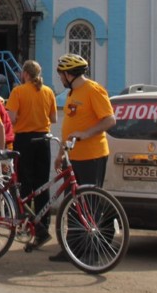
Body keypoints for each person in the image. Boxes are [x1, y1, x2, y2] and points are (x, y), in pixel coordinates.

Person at [50, 53, 116, 261]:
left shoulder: (93, 90)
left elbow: (109, 120)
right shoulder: (72, 92)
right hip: (74, 157)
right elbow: (70, 128)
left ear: (69, 74)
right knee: (72, 204)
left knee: (89, 204)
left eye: (61, 74)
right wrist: (61, 153)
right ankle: (73, 248)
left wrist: (86, 134)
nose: (60, 78)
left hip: (92, 155)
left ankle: (92, 251)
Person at [6, 59, 58, 249]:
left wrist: (21, 118)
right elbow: (53, 118)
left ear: (25, 74)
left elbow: (11, 117)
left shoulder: (18, 91)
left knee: (25, 185)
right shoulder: (48, 91)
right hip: (43, 139)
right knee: (42, 184)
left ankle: (29, 225)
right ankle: (43, 225)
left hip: (24, 140)